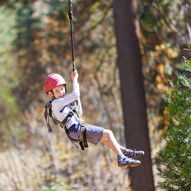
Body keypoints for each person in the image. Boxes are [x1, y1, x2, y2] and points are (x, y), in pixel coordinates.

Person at [44, 70, 144, 167]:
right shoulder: (56, 104)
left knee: (106, 139)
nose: (61, 92)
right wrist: (75, 80)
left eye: (62, 89)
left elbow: (79, 112)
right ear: (50, 93)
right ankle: (121, 157)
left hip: (75, 131)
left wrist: (77, 98)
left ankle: (125, 152)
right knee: (108, 133)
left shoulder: (64, 104)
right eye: (56, 91)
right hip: (75, 129)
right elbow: (75, 94)